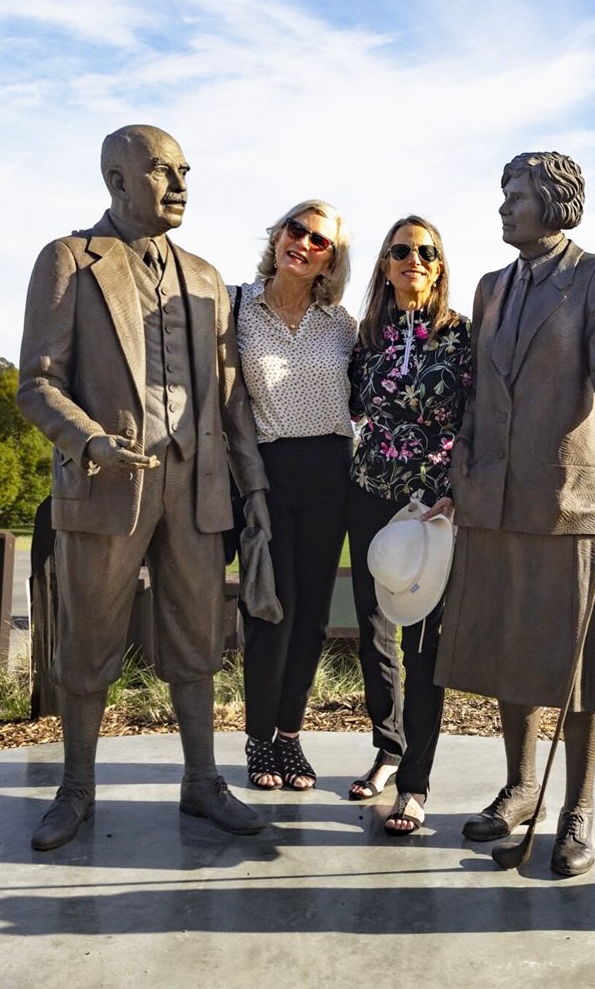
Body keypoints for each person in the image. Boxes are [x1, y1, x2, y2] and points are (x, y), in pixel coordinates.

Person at [18, 124, 271, 851]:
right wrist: (90, 439)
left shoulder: (205, 276)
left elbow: (230, 400)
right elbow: (36, 382)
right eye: (164, 171)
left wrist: (252, 493)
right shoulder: (69, 260)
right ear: (118, 180)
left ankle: (202, 782)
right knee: (88, 644)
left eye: (187, 171)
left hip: (197, 491)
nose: (182, 185)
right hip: (103, 488)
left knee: (198, 642)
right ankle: (76, 790)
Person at [434, 152, 595, 875]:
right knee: (510, 653)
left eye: (516, 194)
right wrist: (461, 459)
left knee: (579, 668)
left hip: (574, 499)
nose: (503, 206)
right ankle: (522, 786)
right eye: (503, 192)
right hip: (494, 496)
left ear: (555, 204)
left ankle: (578, 807)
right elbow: (477, 391)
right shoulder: (491, 287)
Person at [346, 215, 472, 834]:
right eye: (401, 250)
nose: (413, 259)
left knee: (423, 649)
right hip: (368, 495)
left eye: (425, 251)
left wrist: (454, 490)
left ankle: (415, 785)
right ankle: (387, 748)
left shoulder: (462, 337)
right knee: (374, 638)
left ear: (440, 264)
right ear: (386, 263)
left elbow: (476, 420)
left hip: (430, 508)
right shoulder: (367, 336)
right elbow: (349, 408)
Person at [231, 201, 355, 792]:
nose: (303, 242)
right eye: (295, 230)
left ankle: (288, 738)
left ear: (332, 260)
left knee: (311, 618)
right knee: (270, 611)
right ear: (278, 235)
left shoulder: (342, 325)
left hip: (332, 470)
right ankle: (258, 739)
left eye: (319, 240)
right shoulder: (234, 309)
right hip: (269, 471)